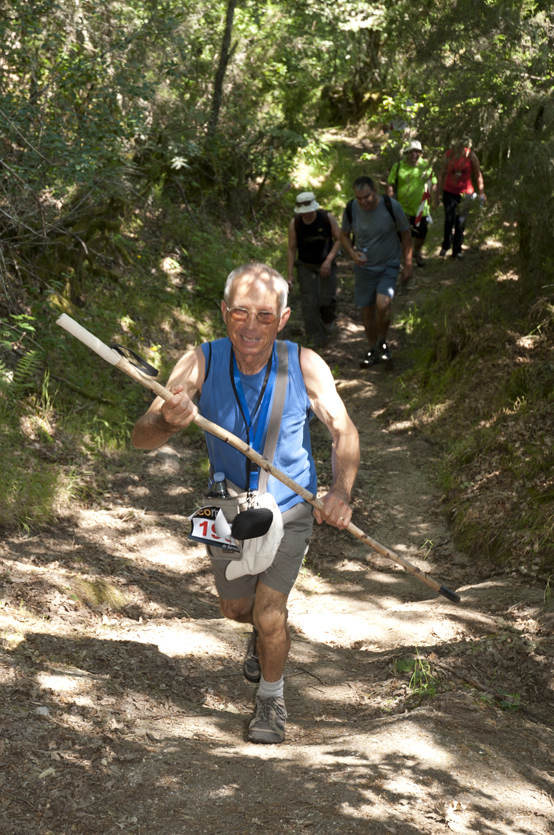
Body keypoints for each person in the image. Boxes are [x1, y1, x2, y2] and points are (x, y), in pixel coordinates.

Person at [131, 263, 359, 745]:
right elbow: (141, 438)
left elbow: (343, 430)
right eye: (240, 311)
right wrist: (169, 422)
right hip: (224, 508)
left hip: (291, 506)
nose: (250, 326)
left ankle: (271, 700)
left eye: (264, 314)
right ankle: (261, 638)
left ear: (283, 317)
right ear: (223, 312)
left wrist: (339, 492)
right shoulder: (201, 362)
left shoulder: (305, 364)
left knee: (269, 614)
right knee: (236, 610)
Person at [340, 175, 412, 369]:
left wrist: (408, 263)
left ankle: (382, 340)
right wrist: (353, 254)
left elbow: (406, 234)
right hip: (364, 269)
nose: (363, 201)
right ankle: (373, 348)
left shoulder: (391, 206)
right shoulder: (351, 209)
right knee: (368, 309)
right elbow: (344, 236)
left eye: (367, 197)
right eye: (359, 198)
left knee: (383, 305)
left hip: (389, 265)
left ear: (375, 192)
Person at [287, 191, 341, 347]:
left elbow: (339, 239)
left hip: (326, 263)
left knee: (326, 298)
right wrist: (290, 274)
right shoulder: (295, 223)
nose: (307, 215)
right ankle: (315, 339)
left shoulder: (326, 218)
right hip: (305, 265)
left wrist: (329, 260)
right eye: (303, 212)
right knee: (309, 302)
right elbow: (291, 249)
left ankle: (328, 317)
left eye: (309, 211)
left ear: (315, 208)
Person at [386, 140, 437, 268]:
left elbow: (433, 182)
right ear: (406, 153)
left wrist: (436, 199)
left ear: (420, 153)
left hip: (421, 209)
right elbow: (390, 184)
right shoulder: (398, 166)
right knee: (404, 235)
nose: (414, 154)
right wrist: (389, 202)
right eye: (411, 151)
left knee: (421, 234)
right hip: (402, 208)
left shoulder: (426, 166)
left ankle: (417, 252)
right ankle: (405, 259)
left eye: (417, 151)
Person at [436, 138, 486, 260]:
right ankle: (446, 246)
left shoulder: (471, 155)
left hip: (466, 193)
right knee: (449, 219)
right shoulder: (448, 155)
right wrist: (437, 195)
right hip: (449, 191)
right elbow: (441, 174)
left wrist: (482, 193)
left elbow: (478, 174)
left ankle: (457, 250)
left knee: (460, 222)